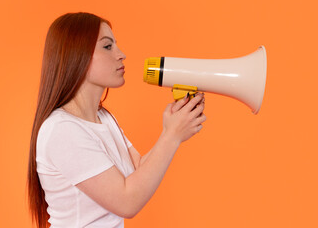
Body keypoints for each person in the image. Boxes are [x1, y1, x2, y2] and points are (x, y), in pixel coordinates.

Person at [27, 12, 206, 228]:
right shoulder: (61, 130)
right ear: (77, 55)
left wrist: (175, 125)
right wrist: (172, 136)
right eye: (107, 46)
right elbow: (127, 202)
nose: (122, 55)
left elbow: (138, 169)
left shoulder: (103, 118)